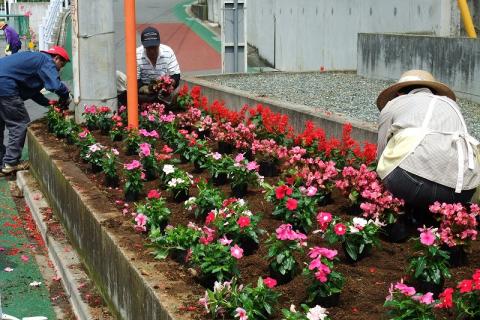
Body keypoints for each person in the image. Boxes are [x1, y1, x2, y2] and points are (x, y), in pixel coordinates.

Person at [376, 69, 480, 227]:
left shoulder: (394, 104)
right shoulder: (451, 105)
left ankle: (401, 221)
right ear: (434, 91)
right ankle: (434, 220)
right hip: (463, 191)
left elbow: (381, 152)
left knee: (391, 153)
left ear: (398, 93)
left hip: (412, 184)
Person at [0, 46, 71, 176]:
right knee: (19, 123)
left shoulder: (34, 60)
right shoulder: (46, 61)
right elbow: (55, 85)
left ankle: (1, 163)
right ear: (56, 58)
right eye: (62, 64)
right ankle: (10, 163)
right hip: (5, 86)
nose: (60, 69)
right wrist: (66, 95)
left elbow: (32, 92)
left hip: (4, 83)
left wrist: (49, 104)